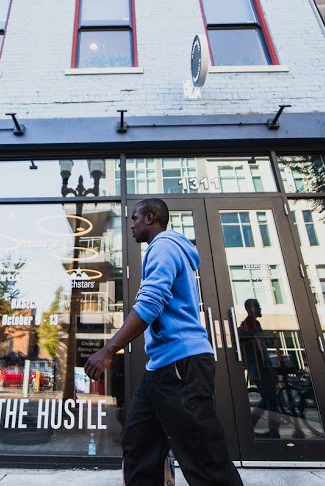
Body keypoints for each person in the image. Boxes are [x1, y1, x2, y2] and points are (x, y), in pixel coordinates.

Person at [84, 198, 243, 486]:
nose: (131, 224)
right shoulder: (165, 250)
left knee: (206, 460)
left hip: (182, 365)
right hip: (161, 368)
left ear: (151, 217)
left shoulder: (163, 246)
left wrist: (108, 350)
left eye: (135, 218)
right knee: (138, 444)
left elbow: (150, 303)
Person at [237, 299, 284, 438]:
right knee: (271, 400)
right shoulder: (250, 324)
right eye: (256, 306)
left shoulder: (253, 324)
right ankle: (273, 432)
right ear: (249, 308)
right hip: (259, 368)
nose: (259, 308)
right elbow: (258, 348)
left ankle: (250, 427)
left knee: (267, 398)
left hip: (259, 367)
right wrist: (268, 367)